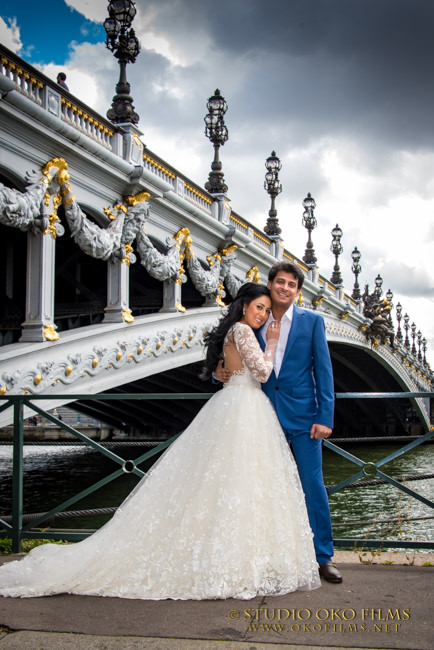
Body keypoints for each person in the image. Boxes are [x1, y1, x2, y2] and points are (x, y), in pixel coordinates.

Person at [0, 283, 320, 600]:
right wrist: (273, 344)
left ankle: (230, 558)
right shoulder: (246, 331)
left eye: (266, 310)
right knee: (241, 485)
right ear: (244, 305)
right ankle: (241, 561)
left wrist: (225, 370)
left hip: (232, 405)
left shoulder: (233, 331)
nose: (263, 315)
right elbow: (263, 373)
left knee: (221, 485)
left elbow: (229, 369)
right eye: (259, 307)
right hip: (245, 409)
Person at [216, 262, 342, 584]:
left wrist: (324, 416)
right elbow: (234, 358)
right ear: (270, 285)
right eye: (280, 282)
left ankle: (323, 557)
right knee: (260, 486)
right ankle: (268, 554)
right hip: (260, 415)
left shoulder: (312, 322)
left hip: (303, 417)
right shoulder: (254, 320)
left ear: (298, 291)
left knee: (312, 486)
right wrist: (220, 373)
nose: (285, 288)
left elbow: (323, 372)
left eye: (291, 284)